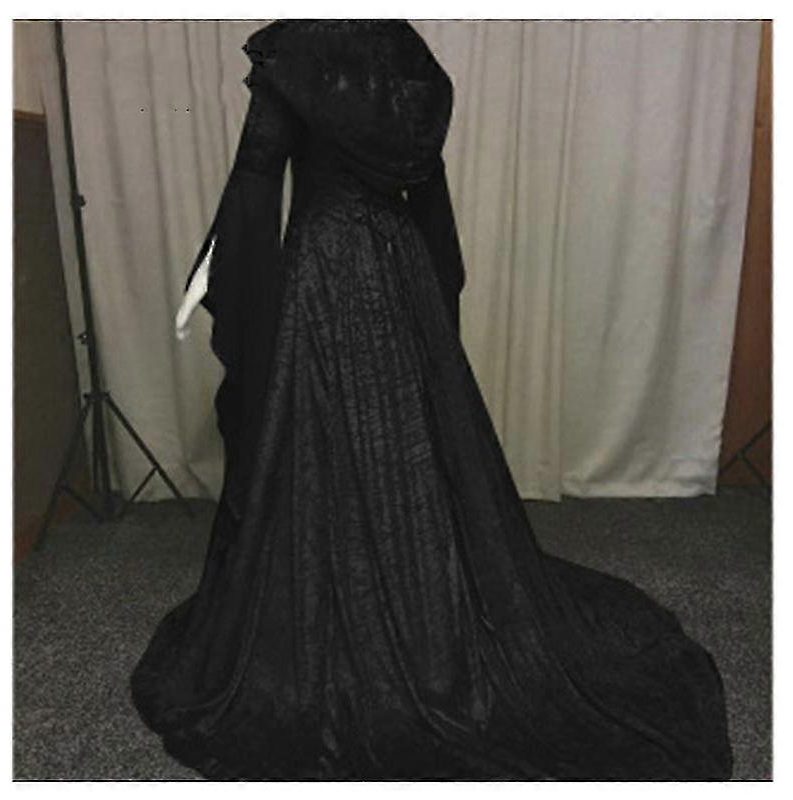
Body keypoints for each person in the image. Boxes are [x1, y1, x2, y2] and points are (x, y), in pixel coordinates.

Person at [130, 19, 733, 780]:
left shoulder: (296, 51)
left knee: (320, 451)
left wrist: (217, 283)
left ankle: (345, 613)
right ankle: (423, 610)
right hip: (400, 269)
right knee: (413, 455)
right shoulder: (405, 52)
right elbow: (427, 188)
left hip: (323, 277)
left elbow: (258, 172)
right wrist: (433, 287)